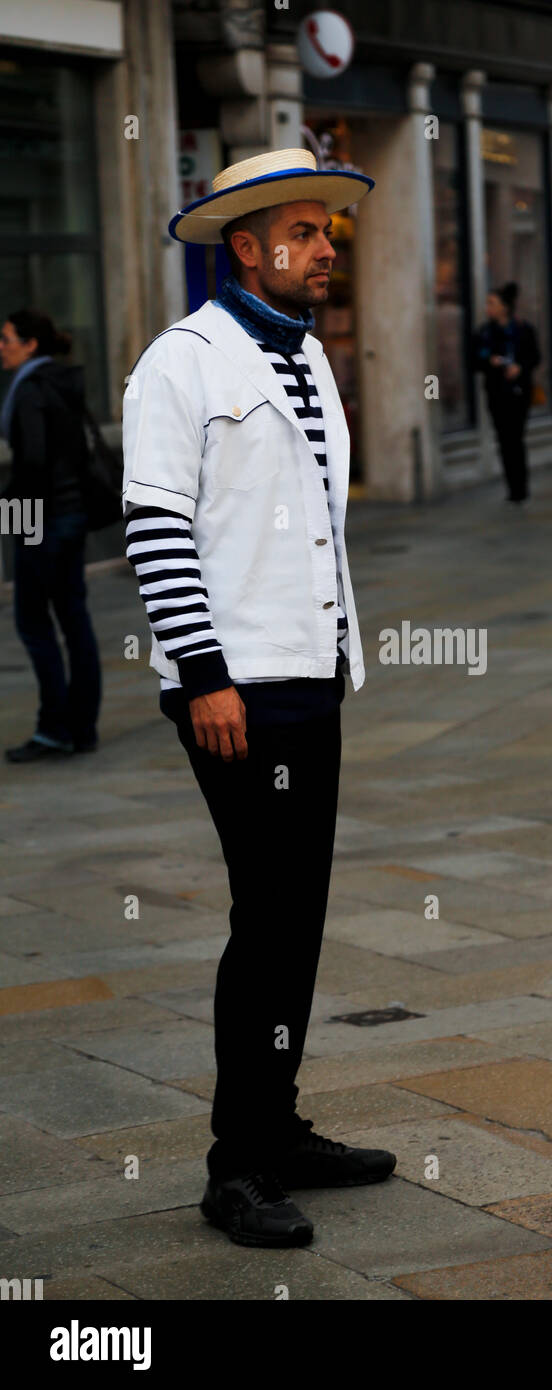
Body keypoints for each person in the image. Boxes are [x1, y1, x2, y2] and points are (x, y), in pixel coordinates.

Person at [122, 148, 396, 1249]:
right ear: (246, 246)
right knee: (267, 921)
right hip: (235, 692)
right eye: (305, 232)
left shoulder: (308, 358)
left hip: (310, 677)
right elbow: (156, 529)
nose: (326, 247)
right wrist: (204, 678)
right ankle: (235, 1167)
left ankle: (276, 1127)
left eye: (329, 231)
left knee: (298, 921)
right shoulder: (179, 363)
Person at [0, 310, 101, 762]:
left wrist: (13, 521)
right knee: (74, 618)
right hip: (71, 514)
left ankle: (54, 729)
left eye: (6, 339)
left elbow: (33, 465)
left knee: (33, 622)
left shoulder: (29, 390)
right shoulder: (63, 383)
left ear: (30, 345)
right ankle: (82, 727)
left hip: (40, 519)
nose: (1, 348)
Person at [472, 282, 541, 503]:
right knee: (504, 439)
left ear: (504, 307)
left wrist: (520, 367)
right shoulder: (484, 332)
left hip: (520, 391)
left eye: (492, 303)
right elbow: (473, 361)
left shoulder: (523, 330)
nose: (487, 308)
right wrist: (489, 361)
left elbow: (535, 357)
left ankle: (520, 487)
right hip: (497, 392)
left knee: (516, 438)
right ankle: (513, 488)